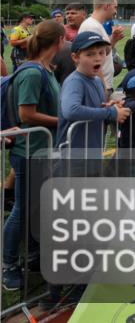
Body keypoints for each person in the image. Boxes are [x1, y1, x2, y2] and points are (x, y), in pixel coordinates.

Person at [1, 19, 64, 292]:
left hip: (41, 150)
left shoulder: (46, 69)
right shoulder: (33, 74)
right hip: (27, 153)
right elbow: (27, 114)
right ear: (60, 42)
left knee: (35, 207)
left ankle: (33, 256)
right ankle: (8, 265)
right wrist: (61, 121)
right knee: (22, 209)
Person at [55, 31, 130, 152]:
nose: (98, 58)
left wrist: (110, 106)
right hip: (73, 158)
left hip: (92, 153)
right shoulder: (75, 81)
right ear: (75, 57)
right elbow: (71, 110)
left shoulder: (97, 81)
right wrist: (110, 113)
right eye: (90, 54)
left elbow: (96, 108)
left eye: (102, 53)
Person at [78, 0, 125, 100]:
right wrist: (102, 89)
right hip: (98, 87)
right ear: (107, 6)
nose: (115, 11)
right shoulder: (92, 26)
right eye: (115, 7)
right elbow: (93, 62)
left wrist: (113, 39)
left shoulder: (97, 25)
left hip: (100, 85)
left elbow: (104, 51)